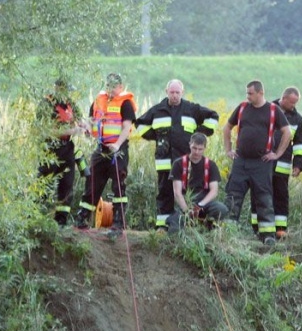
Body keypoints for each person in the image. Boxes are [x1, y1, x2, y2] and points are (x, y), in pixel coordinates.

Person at [135, 79, 220, 230]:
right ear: (166, 92)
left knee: (189, 192)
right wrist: (155, 135)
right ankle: (162, 226)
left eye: (177, 92)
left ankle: (190, 222)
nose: (174, 95)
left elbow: (213, 116)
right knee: (164, 191)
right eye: (172, 92)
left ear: (182, 92)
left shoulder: (191, 109)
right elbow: (140, 124)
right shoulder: (157, 110)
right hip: (164, 161)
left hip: (185, 163)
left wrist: (200, 133)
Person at [223, 80, 292, 245]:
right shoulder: (242, 108)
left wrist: (277, 154)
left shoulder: (273, 110)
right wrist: (228, 150)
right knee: (233, 196)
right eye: (247, 93)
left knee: (264, 198)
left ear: (261, 93)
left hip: (262, 163)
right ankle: (227, 233)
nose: (247, 96)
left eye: (250, 93)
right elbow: (226, 128)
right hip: (240, 161)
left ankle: (268, 236)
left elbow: (287, 132)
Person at [75, 73, 137, 234]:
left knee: (118, 186)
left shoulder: (125, 103)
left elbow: (126, 128)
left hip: (118, 149)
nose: (111, 90)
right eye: (109, 86)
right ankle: (82, 219)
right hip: (101, 149)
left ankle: (118, 222)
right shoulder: (98, 100)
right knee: (92, 183)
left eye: (114, 86)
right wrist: (88, 129)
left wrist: (117, 144)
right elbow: (91, 121)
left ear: (120, 87)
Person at [249, 86, 302, 238]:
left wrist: (298, 165)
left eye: (296, 103)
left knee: (281, 196)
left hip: (283, 165)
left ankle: (280, 229)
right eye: (292, 103)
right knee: (259, 194)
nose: (294, 106)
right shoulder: (266, 109)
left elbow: (300, 145)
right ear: (284, 98)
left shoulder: (298, 119)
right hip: (262, 163)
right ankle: (257, 227)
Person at [37, 78, 87, 226]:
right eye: (65, 91)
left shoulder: (70, 103)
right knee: (44, 184)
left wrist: (85, 126)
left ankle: (61, 222)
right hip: (50, 148)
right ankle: (36, 219)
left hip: (67, 148)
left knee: (67, 184)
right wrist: (71, 130)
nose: (67, 94)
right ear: (57, 89)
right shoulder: (46, 104)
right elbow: (44, 130)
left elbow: (80, 118)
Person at [166, 133, 229, 233]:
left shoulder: (211, 165)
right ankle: (186, 223)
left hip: (204, 203)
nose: (196, 152)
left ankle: (208, 227)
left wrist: (200, 206)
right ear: (189, 144)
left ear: (205, 148)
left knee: (222, 209)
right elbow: (177, 193)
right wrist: (187, 211)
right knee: (174, 231)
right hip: (185, 203)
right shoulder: (178, 164)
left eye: (200, 149)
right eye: (194, 148)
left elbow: (214, 191)